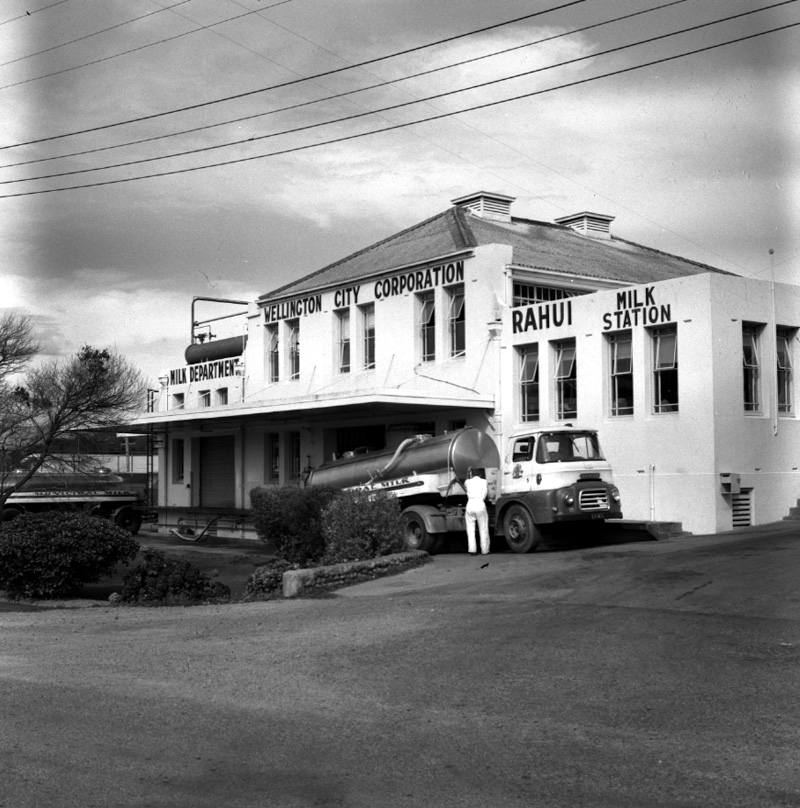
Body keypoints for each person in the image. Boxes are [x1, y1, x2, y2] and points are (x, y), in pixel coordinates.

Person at [464, 466, 490, 556]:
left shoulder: (468, 482)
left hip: (470, 504)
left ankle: (472, 550)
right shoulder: (484, 481)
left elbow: (466, 481)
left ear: (472, 474)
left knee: (470, 529)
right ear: (480, 474)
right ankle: (485, 550)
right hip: (480, 504)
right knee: (483, 528)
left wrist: (468, 472)